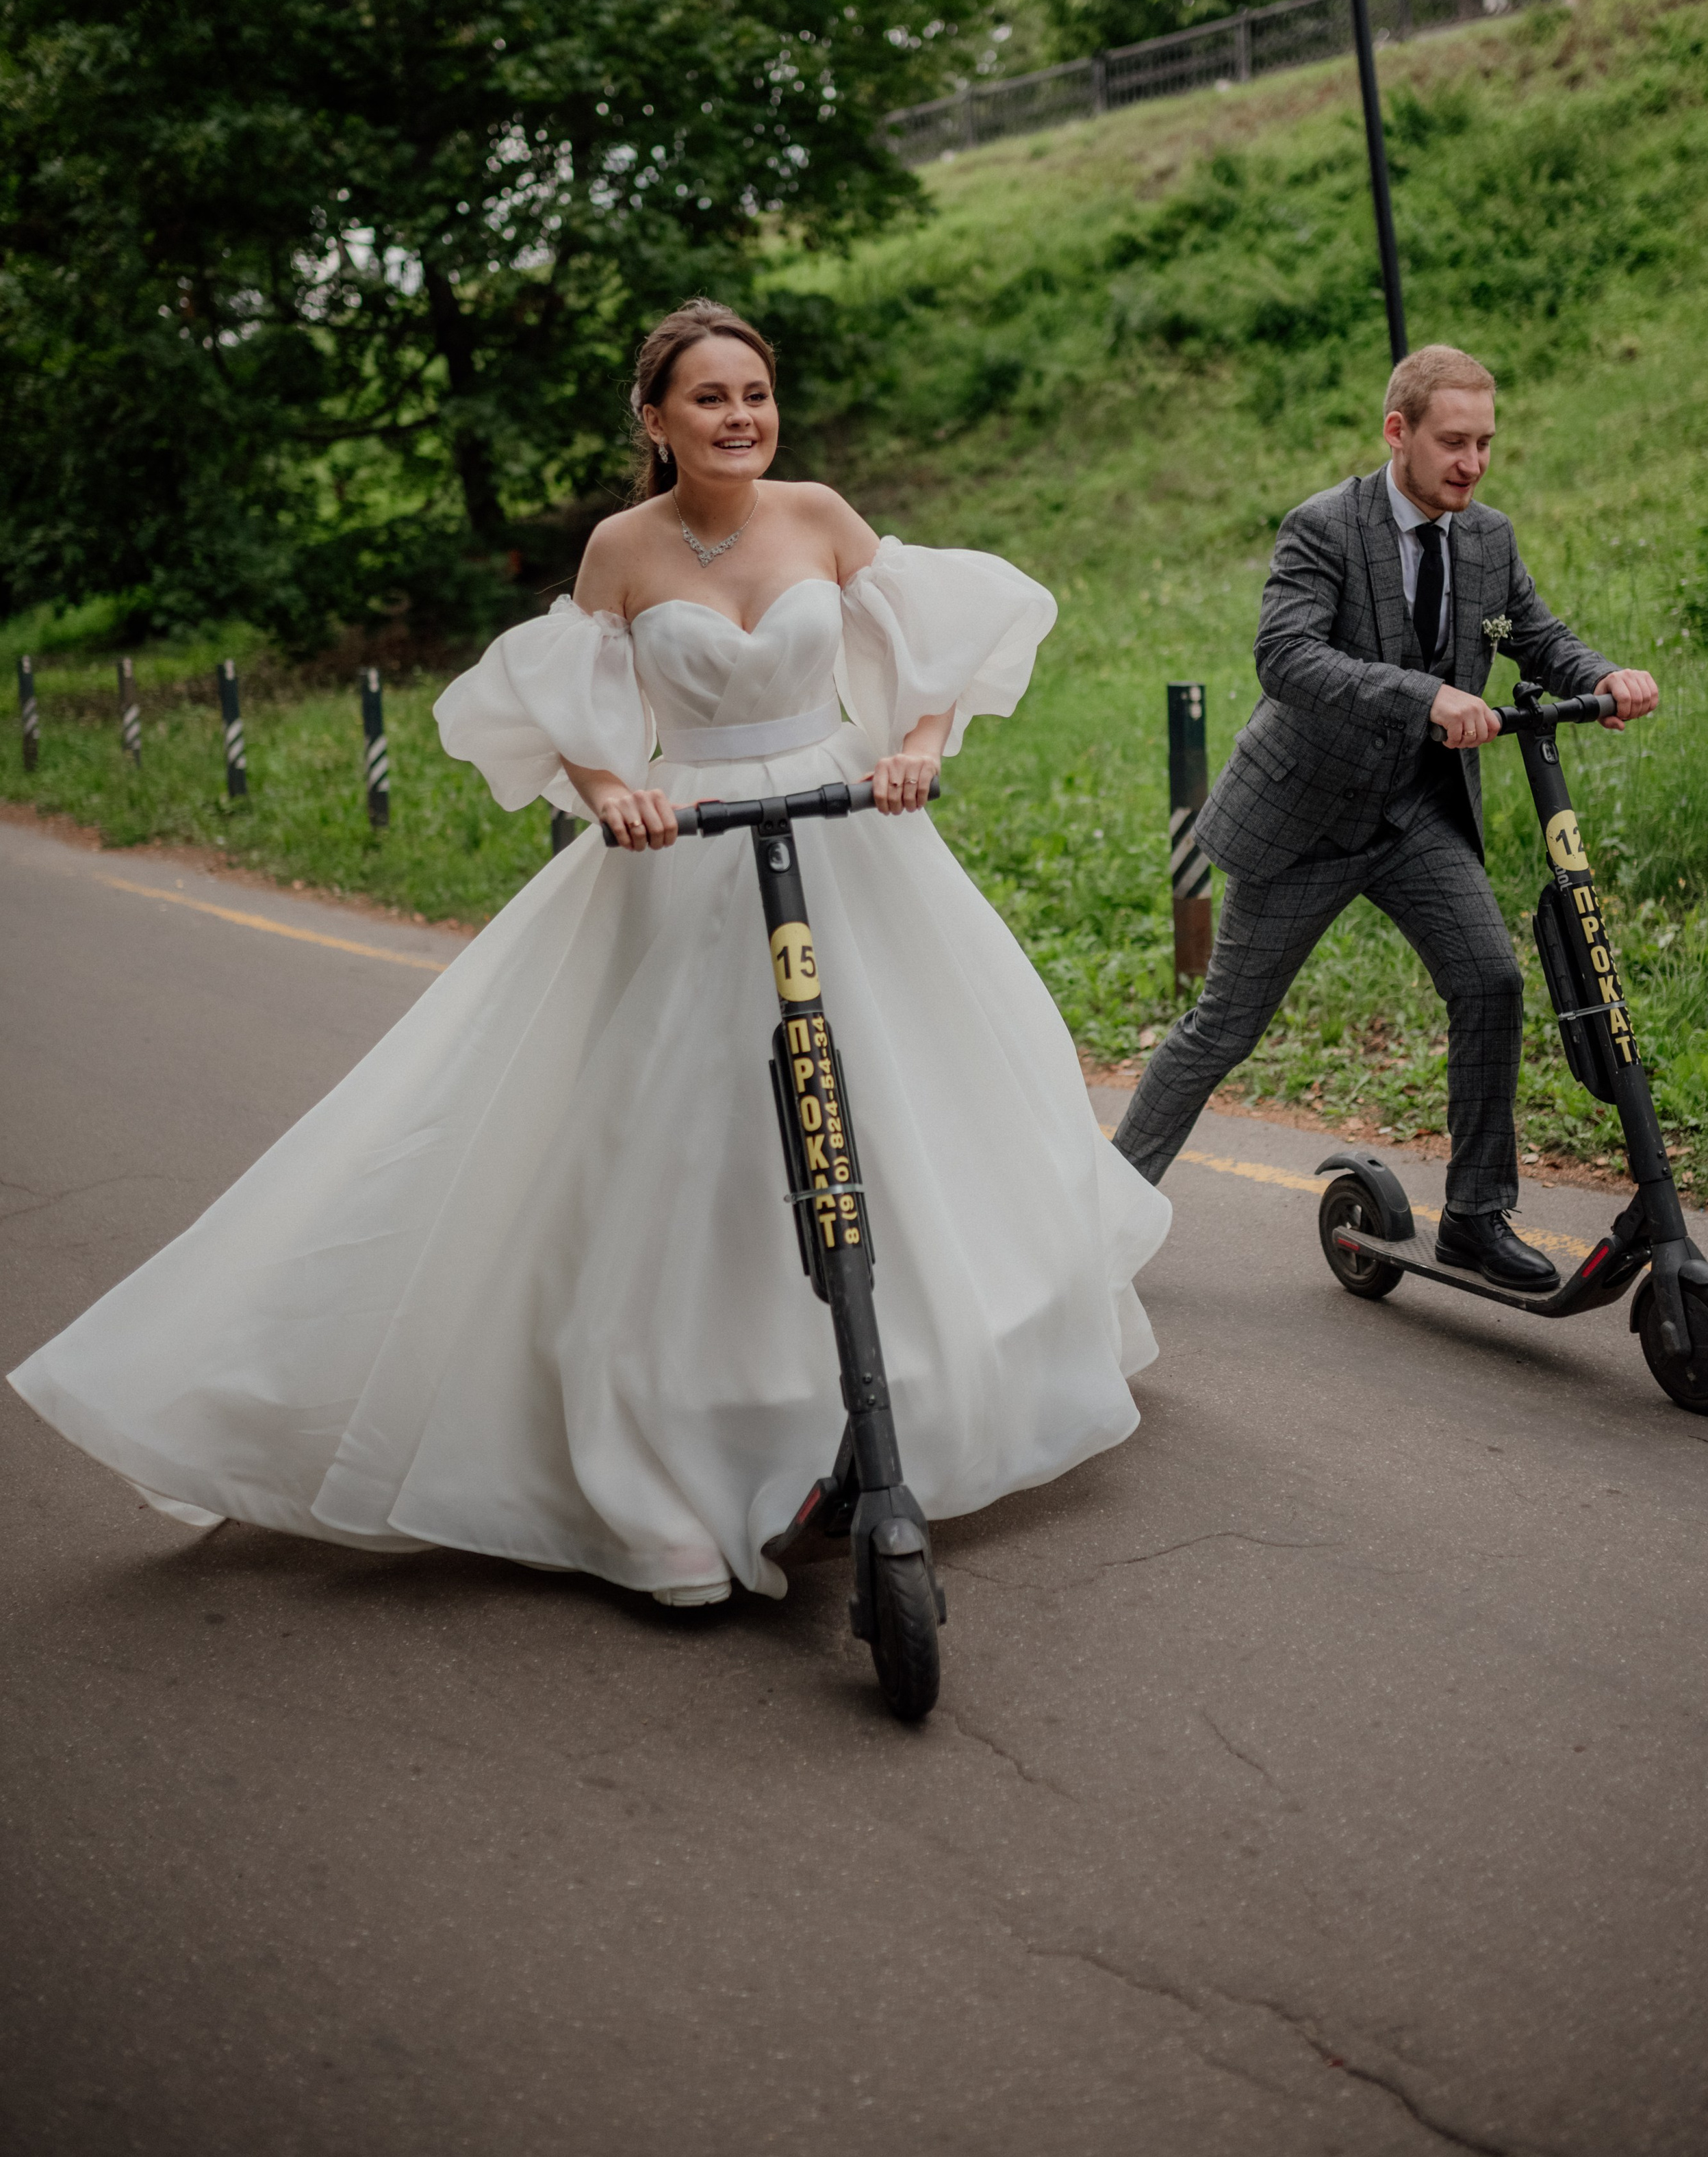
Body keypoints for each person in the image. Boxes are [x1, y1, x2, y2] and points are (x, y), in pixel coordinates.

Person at [10, 299, 1169, 1606]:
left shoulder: (819, 514)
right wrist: (616, 786)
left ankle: (899, 1405)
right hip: (690, 844)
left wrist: (915, 747)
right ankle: (665, 1464)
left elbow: (934, 649)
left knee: (898, 1102)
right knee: (685, 1141)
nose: (740, 417)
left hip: (845, 834)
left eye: (755, 394)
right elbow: (565, 705)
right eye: (710, 398)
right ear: (656, 418)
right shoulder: (619, 549)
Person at [1114, 344, 1659, 1288]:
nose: (1473, 463)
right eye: (1454, 442)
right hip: (1303, 823)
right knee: (1223, 1030)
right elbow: (1286, 658)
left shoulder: (1486, 537)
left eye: (1487, 442)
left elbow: (1529, 634)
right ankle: (1105, 1215)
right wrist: (1427, 697)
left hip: (1414, 816)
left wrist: (1599, 676)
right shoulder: (1324, 527)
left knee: (1491, 981)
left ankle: (1477, 1219)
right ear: (1398, 432)